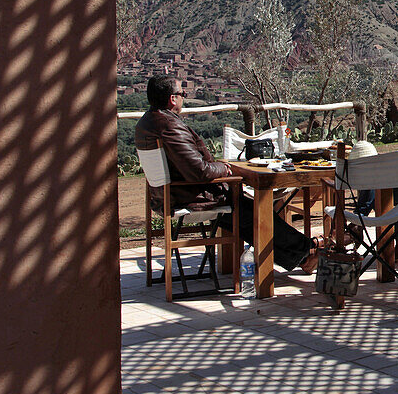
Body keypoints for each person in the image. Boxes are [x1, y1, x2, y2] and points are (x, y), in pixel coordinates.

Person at [135, 75, 320, 274]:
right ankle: (305, 251)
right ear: (173, 99)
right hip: (188, 195)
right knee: (255, 211)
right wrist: (224, 168)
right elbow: (200, 171)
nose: (184, 97)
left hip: (169, 195)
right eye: (182, 94)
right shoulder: (169, 126)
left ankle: (303, 255)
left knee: (244, 213)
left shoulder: (147, 122)